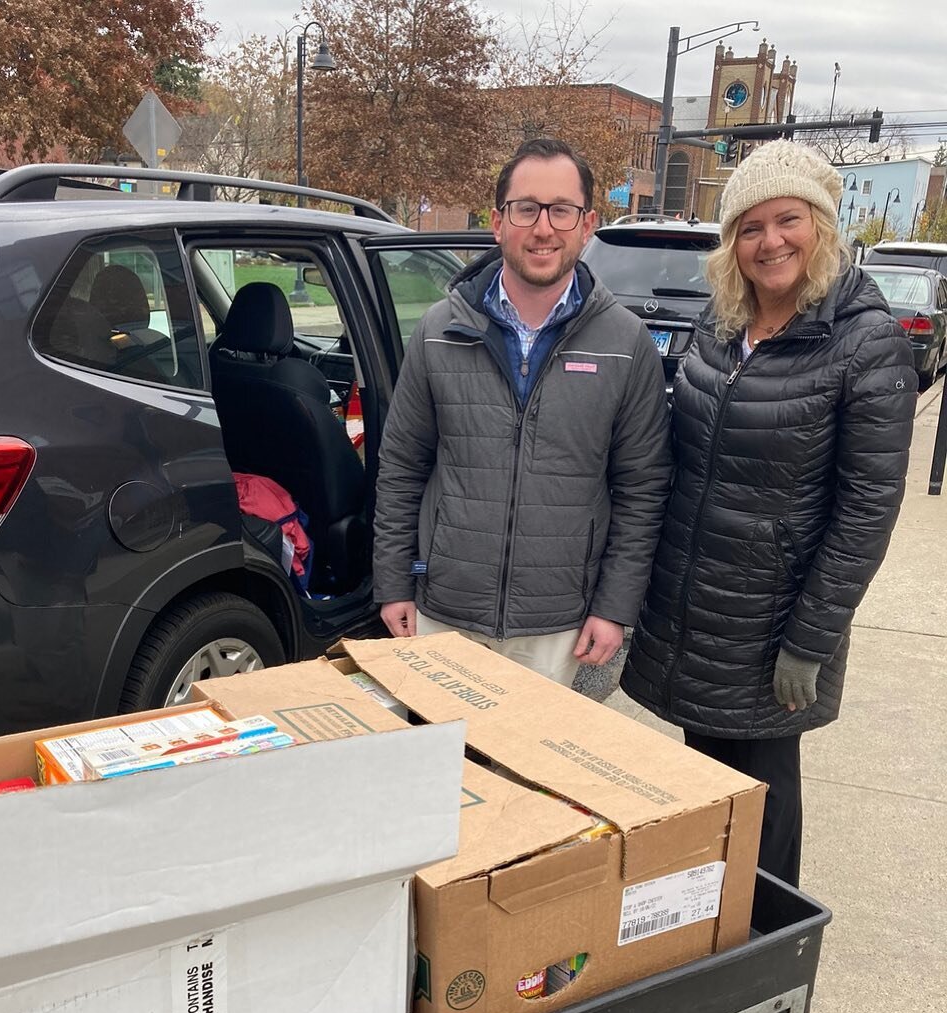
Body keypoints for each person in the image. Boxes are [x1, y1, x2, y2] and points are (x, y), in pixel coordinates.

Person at [621, 140, 917, 886]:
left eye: (788, 219)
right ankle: (709, 927)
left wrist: (810, 640)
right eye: (749, 227)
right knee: (706, 784)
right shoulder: (722, 326)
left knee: (763, 789)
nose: (769, 241)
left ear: (820, 226)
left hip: (774, 619)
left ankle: (770, 941)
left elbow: (868, 507)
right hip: (697, 607)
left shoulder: (864, 341)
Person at [373, 138, 672, 687]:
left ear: (587, 224)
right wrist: (393, 581)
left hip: (557, 624)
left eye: (562, 210)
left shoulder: (626, 344)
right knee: (444, 769)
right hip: (444, 610)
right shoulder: (440, 331)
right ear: (497, 222)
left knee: (532, 772)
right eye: (526, 208)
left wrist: (614, 607)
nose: (543, 228)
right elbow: (401, 468)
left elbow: (642, 490)